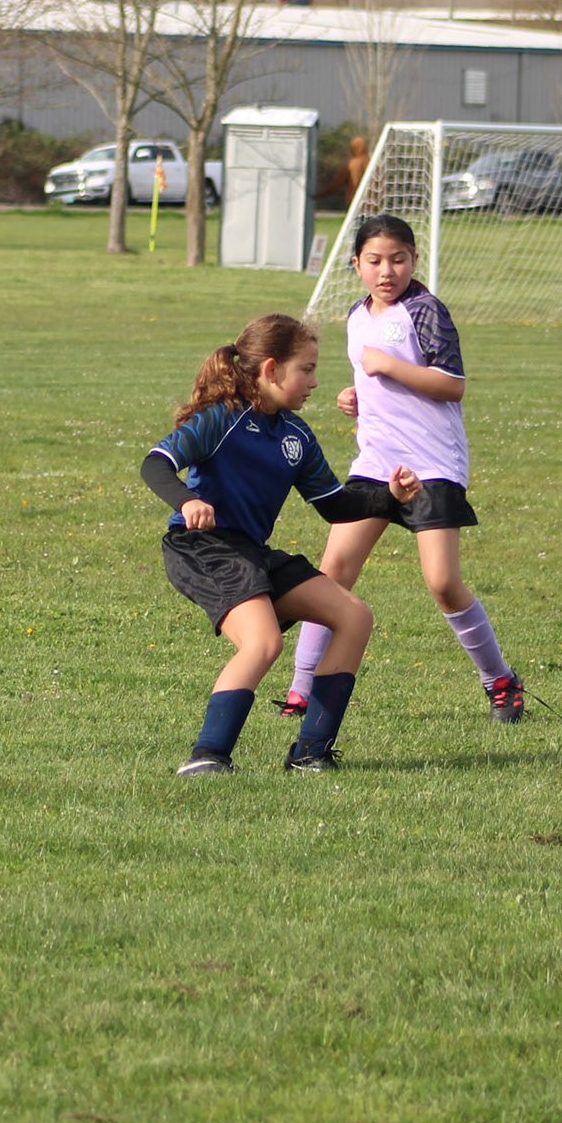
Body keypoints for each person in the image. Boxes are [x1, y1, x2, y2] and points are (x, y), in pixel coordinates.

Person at [141, 313, 423, 776]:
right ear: (271, 369)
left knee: (354, 616)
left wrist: (389, 498)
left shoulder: (296, 435)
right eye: (306, 369)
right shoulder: (221, 418)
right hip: (202, 547)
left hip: (251, 552)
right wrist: (187, 500)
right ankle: (207, 757)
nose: (314, 382)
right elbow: (155, 464)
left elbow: (334, 505)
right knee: (263, 642)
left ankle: (311, 753)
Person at [284, 215, 525, 726]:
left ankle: (500, 681)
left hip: (432, 465)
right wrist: (354, 396)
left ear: (414, 259)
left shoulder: (425, 310)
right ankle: (300, 690)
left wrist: (390, 367)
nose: (386, 271)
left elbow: (452, 384)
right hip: (375, 464)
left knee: (443, 583)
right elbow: (371, 378)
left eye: (398, 259)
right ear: (356, 264)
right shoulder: (356, 315)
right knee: (331, 575)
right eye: (374, 261)